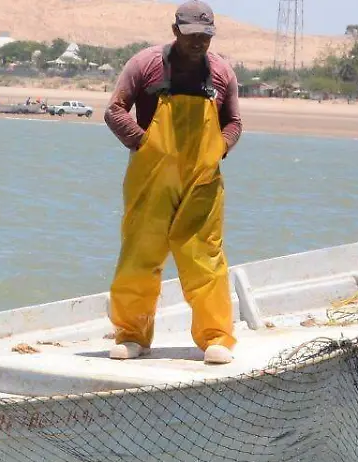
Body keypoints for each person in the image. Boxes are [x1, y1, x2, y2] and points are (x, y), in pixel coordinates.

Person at [103, 0, 242, 365]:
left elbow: (234, 123)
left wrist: (218, 148)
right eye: (193, 35)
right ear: (176, 30)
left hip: (202, 180)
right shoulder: (145, 65)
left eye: (206, 36)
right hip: (151, 177)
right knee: (139, 254)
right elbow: (115, 110)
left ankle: (215, 337)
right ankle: (132, 335)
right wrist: (143, 142)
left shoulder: (222, 73)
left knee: (205, 257)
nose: (199, 43)